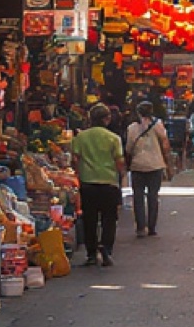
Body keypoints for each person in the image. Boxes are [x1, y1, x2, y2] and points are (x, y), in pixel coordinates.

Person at [72, 103, 125, 268]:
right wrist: (120, 177)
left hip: (88, 184)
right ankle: (106, 248)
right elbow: (119, 162)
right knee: (109, 218)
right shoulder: (113, 138)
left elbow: (75, 160)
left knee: (90, 220)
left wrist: (79, 173)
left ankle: (91, 254)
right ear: (107, 119)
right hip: (109, 183)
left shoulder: (80, 137)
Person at [125, 101, 172, 238]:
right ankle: (152, 227)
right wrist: (168, 163)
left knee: (138, 197)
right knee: (153, 196)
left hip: (137, 165)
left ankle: (140, 227)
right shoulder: (158, 125)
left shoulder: (132, 128)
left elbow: (128, 148)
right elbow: (165, 145)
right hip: (155, 165)